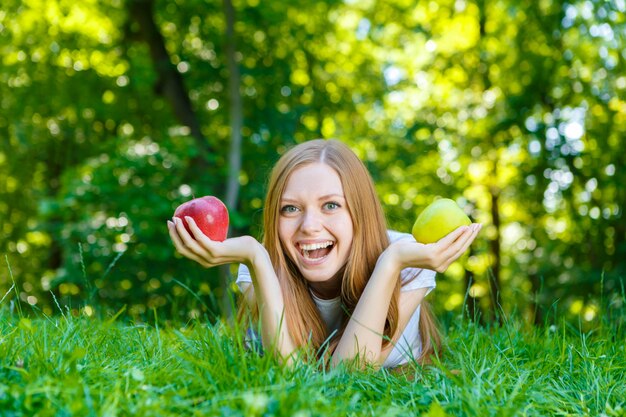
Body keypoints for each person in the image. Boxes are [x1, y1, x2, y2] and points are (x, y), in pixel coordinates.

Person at [167, 139, 481, 369]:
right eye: (290, 209)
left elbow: (348, 372)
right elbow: (291, 372)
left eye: (330, 205)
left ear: (359, 212)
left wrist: (391, 262)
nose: (309, 226)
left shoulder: (406, 256)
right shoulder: (263, 265)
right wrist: (254, 254)